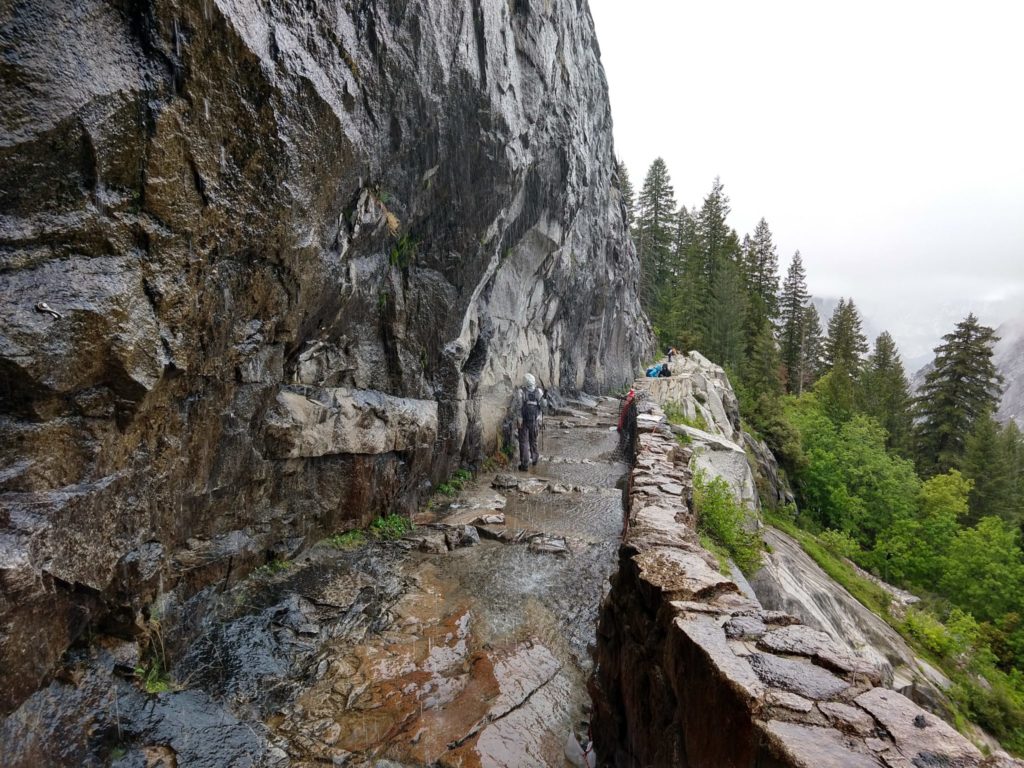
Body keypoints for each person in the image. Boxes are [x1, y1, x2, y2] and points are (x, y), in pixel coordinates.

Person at [517, 373, 545, 471]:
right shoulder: (539, 392)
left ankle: (524, 464)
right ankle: (535, 459)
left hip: (524, 420)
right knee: (533, 440)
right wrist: (540, 420)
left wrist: (519, 419)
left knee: (523, 442)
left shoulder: (521, 392)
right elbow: (542, 407)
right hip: (535, 420)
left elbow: (519, 407)